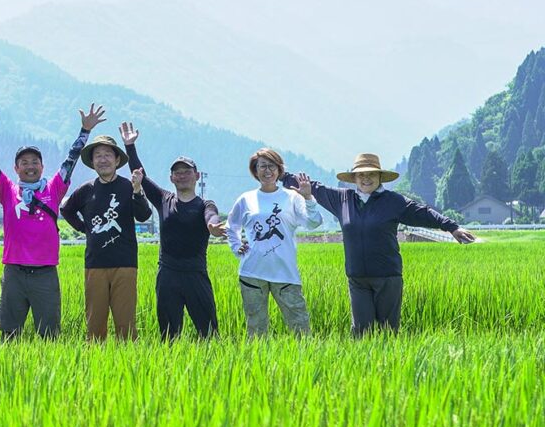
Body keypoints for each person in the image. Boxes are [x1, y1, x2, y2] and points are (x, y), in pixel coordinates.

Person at [292, 154, 477, 335]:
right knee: (361, 332)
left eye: (371, 174)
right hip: (357, 279)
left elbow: (423, 213)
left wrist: (452, 227)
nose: (366, 178)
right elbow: (311, 187)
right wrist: (279, 173)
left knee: (388, 331)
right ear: (354, 178)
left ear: (380, 177)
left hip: (387, 277)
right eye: (361, 174)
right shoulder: (342, 199)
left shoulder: (394, 201)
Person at [0, 104, 104, 340]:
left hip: (45, 273)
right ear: (16, 168)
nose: (30, 166)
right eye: (24, 162)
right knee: (9, 335)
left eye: (34, 162)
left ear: (42, 167)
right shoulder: (7, 190)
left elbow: (70, 161)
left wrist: (85, 131)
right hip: (14, 272)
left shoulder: (53, 189)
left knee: (49, 335)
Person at [125, 130, 226, 340]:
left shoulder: (205, 205)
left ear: (197, 176)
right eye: (177, 173)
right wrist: (130, 146)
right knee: (169, 336)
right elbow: (141, 175)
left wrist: (213, 226)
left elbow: (211, 217)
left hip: (196, 274)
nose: (182, 176)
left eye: (187, 172)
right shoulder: (164, 199)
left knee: (209, 333)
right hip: (168, 275)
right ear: (171, 178)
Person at [60, 122, 151, 341]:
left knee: (125, 324)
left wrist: (138, 191)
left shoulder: (128, 186)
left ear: (117, 160)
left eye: (108, 155)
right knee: (95, 323)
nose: (103, 159)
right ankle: (96, 359)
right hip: (95, 265)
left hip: (125, 264)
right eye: (98, 156)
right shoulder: (86, 190)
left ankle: (129, 359)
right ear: (92, 162)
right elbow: (66, 209)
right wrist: (84, 228)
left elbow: (144, 215)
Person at [227, 147, 322, 337]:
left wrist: (308, 197)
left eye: (272, 166)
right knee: (256, 329)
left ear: (279, 170)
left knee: (300, 327)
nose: (267, 170)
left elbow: (314, 222)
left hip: (285, 273)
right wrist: (237, 247)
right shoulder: (246, 199)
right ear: (255, 170)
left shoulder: (292, 197)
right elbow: (231, 226)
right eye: (262, 166)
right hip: (252, 272)